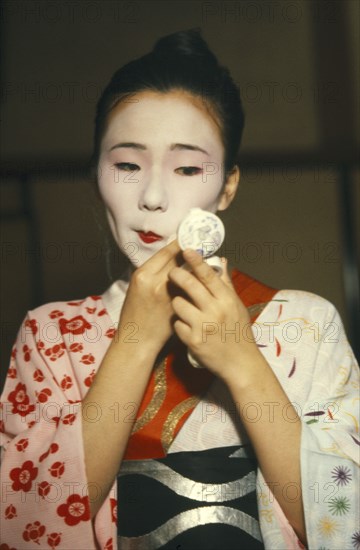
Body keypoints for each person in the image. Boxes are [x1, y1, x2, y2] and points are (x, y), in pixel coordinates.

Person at [0, 29, 359, 550]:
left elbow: (346, 517)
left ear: (228, 185)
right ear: (94, 174)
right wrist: (134, 343)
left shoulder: (304, 324)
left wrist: (242, 362)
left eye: (187, 167)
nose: (151, 196)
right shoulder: (51, 334)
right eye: (126, 164)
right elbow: (24, 523)